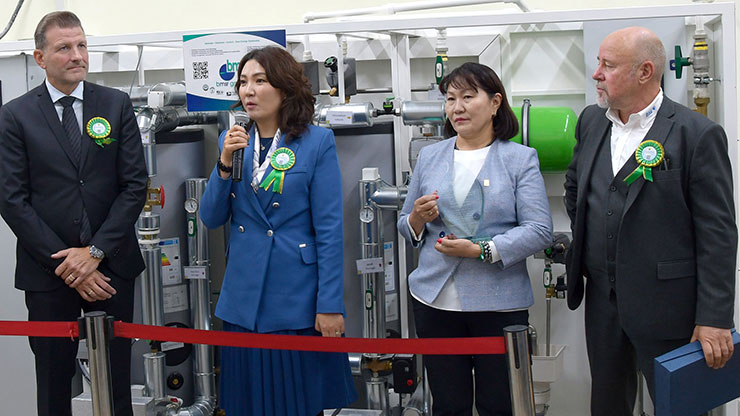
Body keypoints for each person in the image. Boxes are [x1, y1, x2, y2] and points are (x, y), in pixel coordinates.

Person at [565, 26, 736, 414]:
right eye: (598, 63)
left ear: (644, 72)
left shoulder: (696, 134)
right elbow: (577, 189)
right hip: (603, 307)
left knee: (681, 409)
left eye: (607, 65)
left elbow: (718, 234)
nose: (597, 74)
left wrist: (714, 318)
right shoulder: (591, 121)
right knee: (607, 407)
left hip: (670, 310)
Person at [0, 11, 148, 416]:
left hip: (111, 266)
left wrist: (95, 252)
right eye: (64, 48)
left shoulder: (114, 104)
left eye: (82, 45)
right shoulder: (15, 116)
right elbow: (12, 199)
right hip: (48, 272)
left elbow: (135, 185)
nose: (77, 55)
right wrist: (71, 265)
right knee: (52, 383)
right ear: (40, 58)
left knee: (118, 380)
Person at [199, 46, 357, 416]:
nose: (248, 91)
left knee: (298, 404)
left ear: (284, 88)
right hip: (243, 299)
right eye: (242, 83)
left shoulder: (316, 142)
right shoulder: (234, 142)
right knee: (248, 405)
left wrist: (330, 304)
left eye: (260, 81)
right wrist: (223, 166)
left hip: (296, 298)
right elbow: (210, 217)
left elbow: (331, 229)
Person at [397, 62, 553, 416]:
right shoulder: (430, 156)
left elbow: (540, 229)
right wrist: (418, 218)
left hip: (498, 304)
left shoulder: (519, 159)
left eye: (469, 97)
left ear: (495, 102)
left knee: (497, 404)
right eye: (451, 99)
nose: (458, 108)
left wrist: (483, 249)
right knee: (448, 405)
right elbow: (406, 227)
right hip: (434, 301)